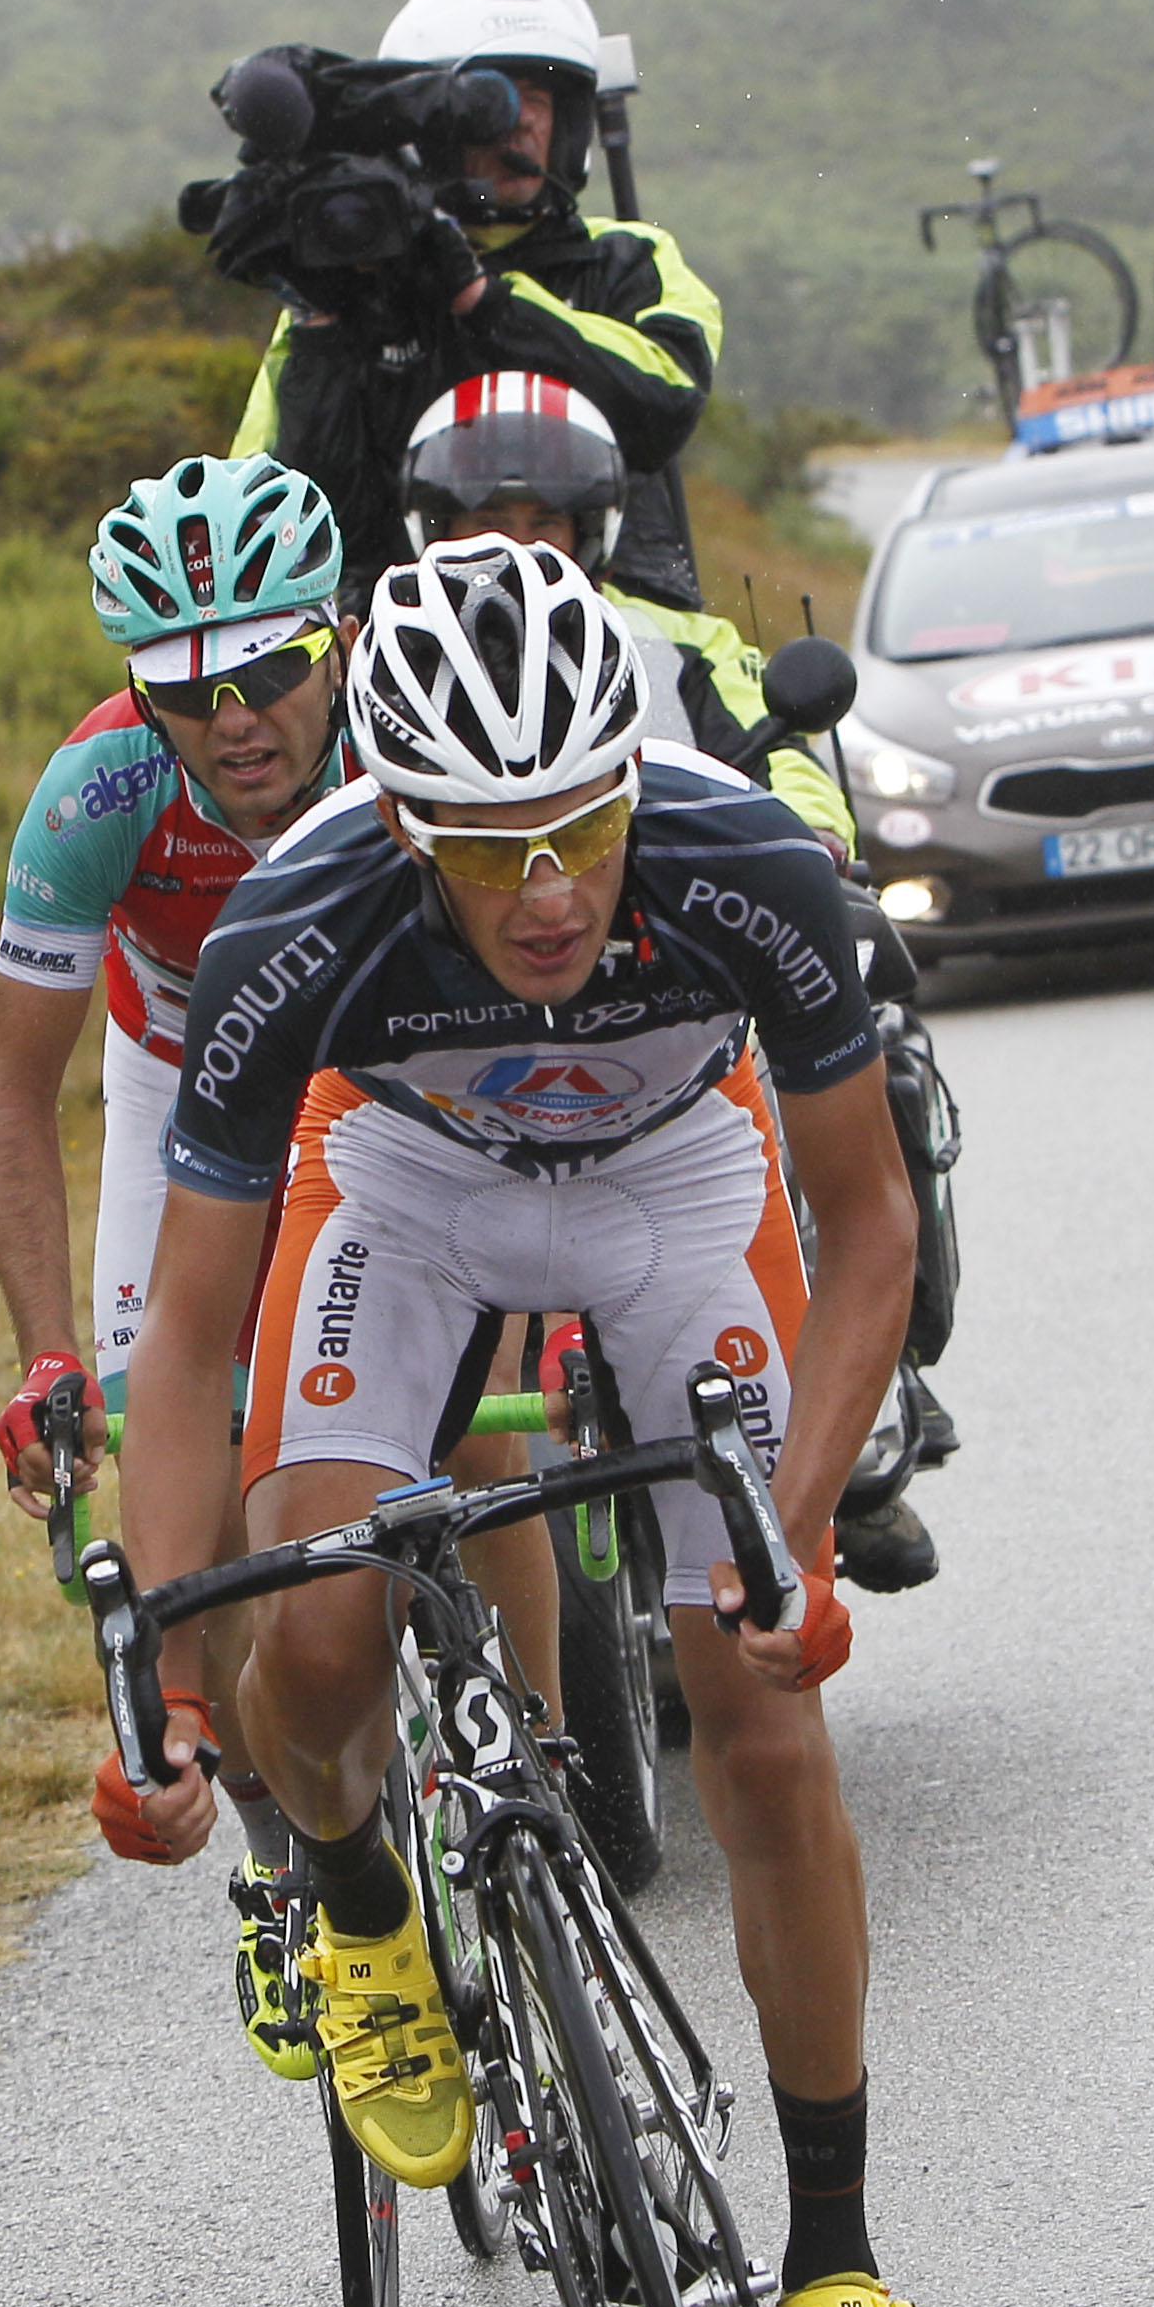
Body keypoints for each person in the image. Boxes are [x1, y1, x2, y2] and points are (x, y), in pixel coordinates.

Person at [110, 534, 948, 2307]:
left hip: (677, 1174)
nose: (551, 888)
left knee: (763, 1714)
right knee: (318, 1621)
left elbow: (869, 1225)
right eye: (491, 851)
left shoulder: (746, 864)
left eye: (580, 825)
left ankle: (834, 2263)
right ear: (402, 822)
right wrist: (160, 1679)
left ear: (631, 777)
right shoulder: (295, 923)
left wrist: (789, 1532)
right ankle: (361, 1914)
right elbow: (191, 1339)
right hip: (403, 1182)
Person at [0, 452, 557, 2082]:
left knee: (467, 1411)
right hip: (186, 1074)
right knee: (209, 1477)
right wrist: (45, 1356)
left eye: (268, 672)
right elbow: (13, 1093)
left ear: (338, 641)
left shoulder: (411, 733)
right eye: (183, 692)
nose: (233, 722)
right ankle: (280, 1853)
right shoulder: (97, 796)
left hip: (389, 1048)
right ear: (138, 695)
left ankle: (538, 1756)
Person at [393, 374, 956, 1593]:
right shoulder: (394, 659)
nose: (518, 549)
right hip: (475, 1026)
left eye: (544, 525)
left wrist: (807, 857)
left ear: (596, 530)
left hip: (688, 994)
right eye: (484, 524)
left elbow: (786, 764)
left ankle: (864, 1416)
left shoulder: (687, 643)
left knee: (865, 1086)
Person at [231, 0, 723, 609]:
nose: (521, 121)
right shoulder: (354, 285)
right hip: (398, 631)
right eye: (489, 104)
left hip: (621, 623)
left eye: (539, 99)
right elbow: (269, 508)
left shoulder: (628, 258)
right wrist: (324, 326)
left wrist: (483, 299)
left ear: (571, 123)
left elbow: (664, 404)